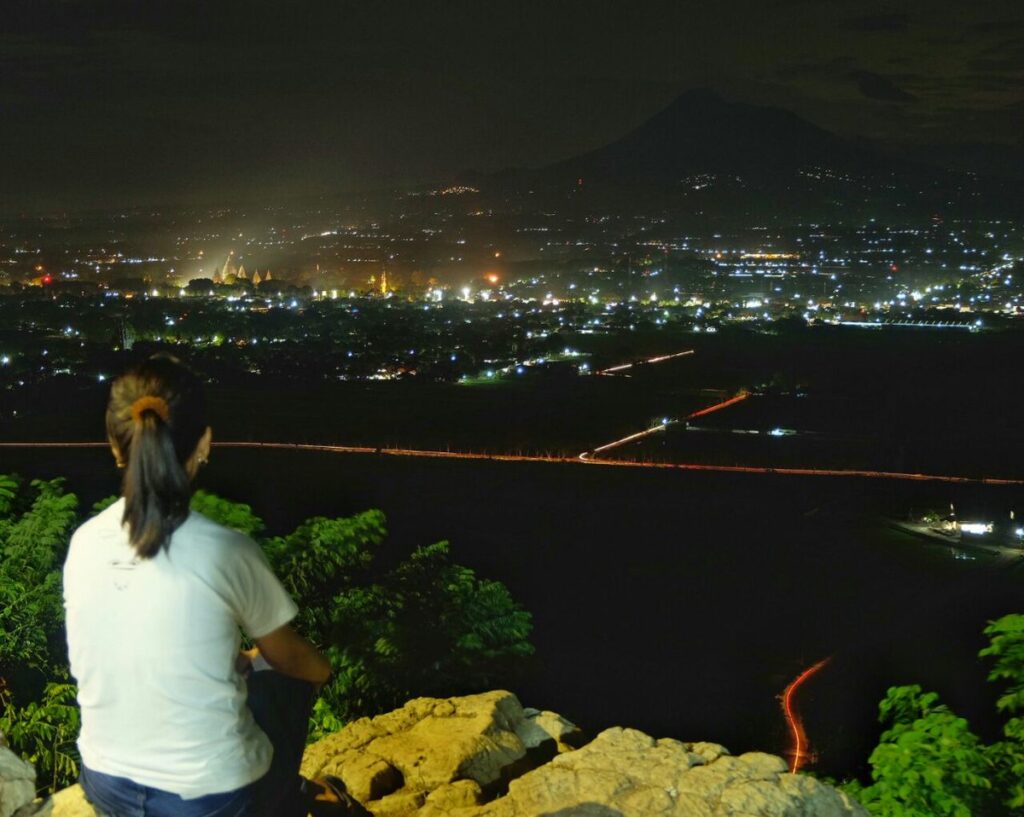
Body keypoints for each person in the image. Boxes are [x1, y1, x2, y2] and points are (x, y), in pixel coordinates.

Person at [63, 354, 363, 817]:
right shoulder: (225, 549)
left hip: (105, 781)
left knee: (252, 665)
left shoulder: (83, 542)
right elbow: (296, 661)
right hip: (208, 799)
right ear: (204, 442)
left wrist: (228, 661)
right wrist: (321, 672)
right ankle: (283, 799)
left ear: (116, 446)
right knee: (284, 677)